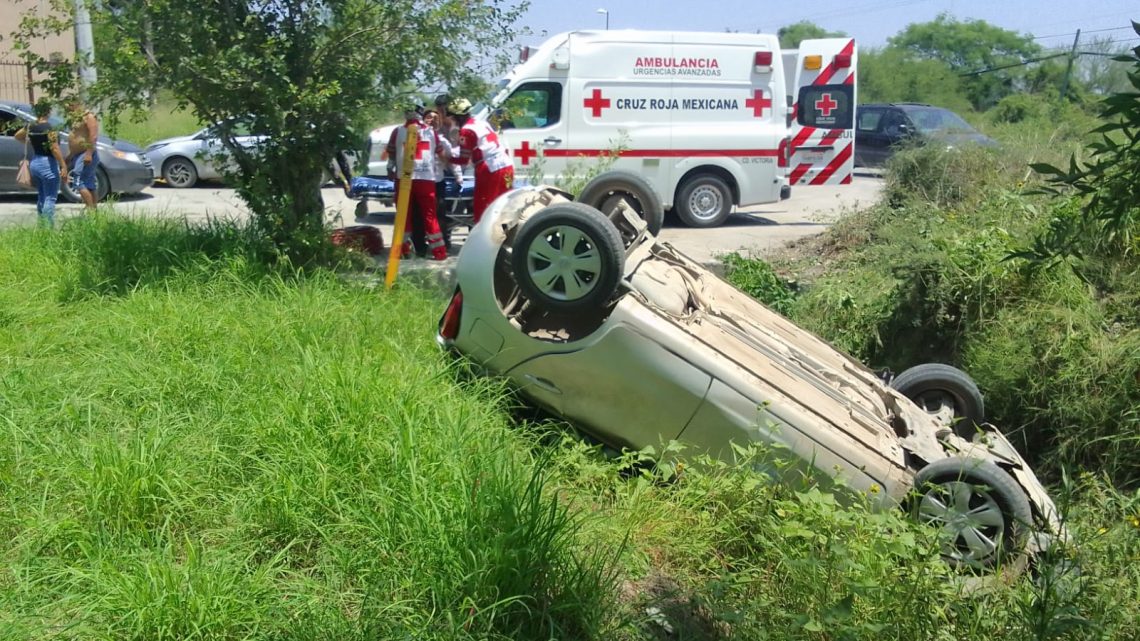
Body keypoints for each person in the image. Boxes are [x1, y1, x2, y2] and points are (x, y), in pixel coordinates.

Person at [390, 103, 448, 261]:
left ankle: (402, 251)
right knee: (430, 216)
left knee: (403, 216)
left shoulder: (398, 132)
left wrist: (390, 171)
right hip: (426, 179)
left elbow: (391, 155)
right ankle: (439, 252)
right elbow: (441, 154)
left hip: (404, 178)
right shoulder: (430, 132)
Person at [447, 97, 514, 224]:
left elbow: (463, 159)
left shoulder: (466, 131)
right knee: (504, 206)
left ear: (457, 116)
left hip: (490, 169)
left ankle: (485, 240)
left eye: (453, 118)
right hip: (506, 165)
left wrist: (446, 158)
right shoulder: (481, 123)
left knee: (484, 208)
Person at [15, 99, 69, 227]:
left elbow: (17, 136)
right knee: (50, 197)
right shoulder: (49, 128)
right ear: (48, 111)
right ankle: (48, 227)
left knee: (42, 195)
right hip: (47, 163)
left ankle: (41, 225)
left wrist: (31, 142)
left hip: (35, 162)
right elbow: (54, 148)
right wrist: (63, 165)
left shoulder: (31, 126)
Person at [65, 100, 99, 210]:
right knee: (89, 183)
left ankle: (90, 208)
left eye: (70, 106)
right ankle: (93, 210)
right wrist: (70, 155)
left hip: (86, 153)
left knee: (78, 182)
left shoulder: (89, 117)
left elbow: (93, 136)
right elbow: (77, 136)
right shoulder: (76, 119)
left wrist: (89, 153)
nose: (69, 109)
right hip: (78, 154)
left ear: (77, 104)